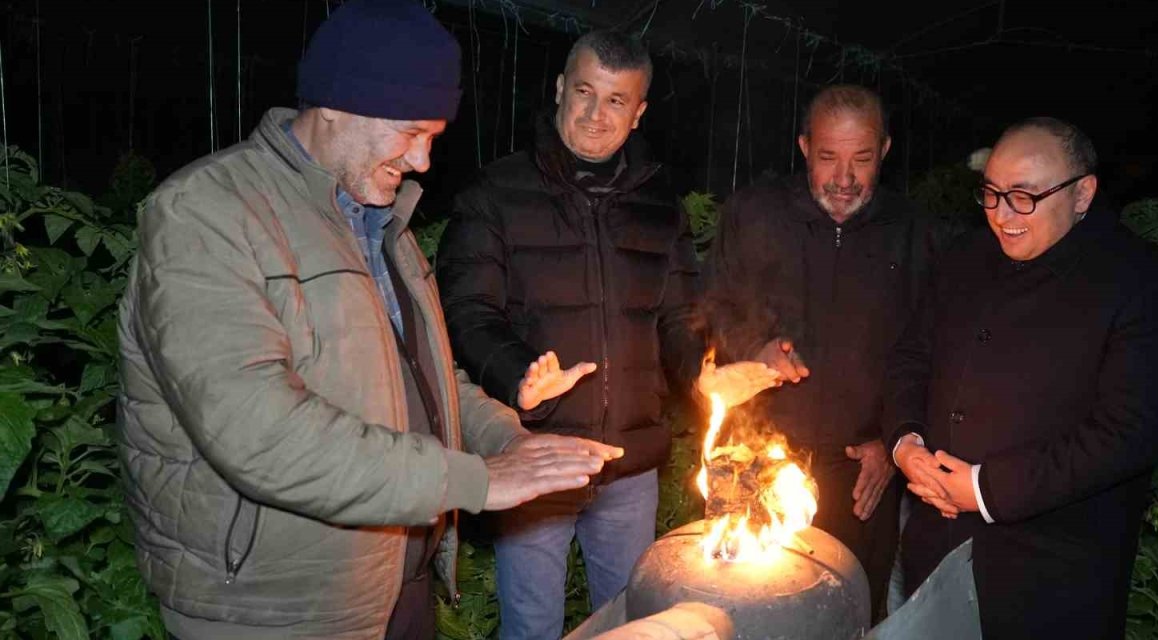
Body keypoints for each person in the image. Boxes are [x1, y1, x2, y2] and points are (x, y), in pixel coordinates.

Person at [115, 2, 621, 638]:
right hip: (273, 606)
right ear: (335, 104)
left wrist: (510, 441)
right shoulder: (206, 214)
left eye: (433, 137)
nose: (423, 161)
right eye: (411, 132)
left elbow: (428, 378)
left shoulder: (381, 222)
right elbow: (256, 431)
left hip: (394, 578)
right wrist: (476, 480)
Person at [436, 29, 776, 640]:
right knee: (531, 628)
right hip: (538, 456)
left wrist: (702, 375)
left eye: (616, 100)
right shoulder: (495, 193)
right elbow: (467, 308)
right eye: (585, 92)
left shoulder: (659, 205)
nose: (596, 114)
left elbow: (679, 318)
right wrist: (518, 374)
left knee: (627, 622)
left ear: (638, 111)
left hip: (630, 466)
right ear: (560, 89)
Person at [884, 117, 1158, 639]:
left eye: (1024, 196)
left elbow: (1128, 434)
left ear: (1083, 193)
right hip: (933, 551)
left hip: (1050, 578)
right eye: (991, 193)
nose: (1002, 214)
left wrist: (984, 489)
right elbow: (910, 357)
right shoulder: (963, 257)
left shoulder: (1145, 283)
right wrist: (905, 444)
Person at [704, 84, 948, 617]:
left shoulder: (916, 235)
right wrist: (753, 351)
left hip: (861, 474)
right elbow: (712, 309)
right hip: (756, 459)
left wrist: (893, 441)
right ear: (804, 147)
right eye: (827, 157)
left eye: (862, 159)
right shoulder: (754, 213)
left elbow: (932, 355)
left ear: (885, 150)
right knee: (747, 612)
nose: (844, 178)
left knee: (849, 613)